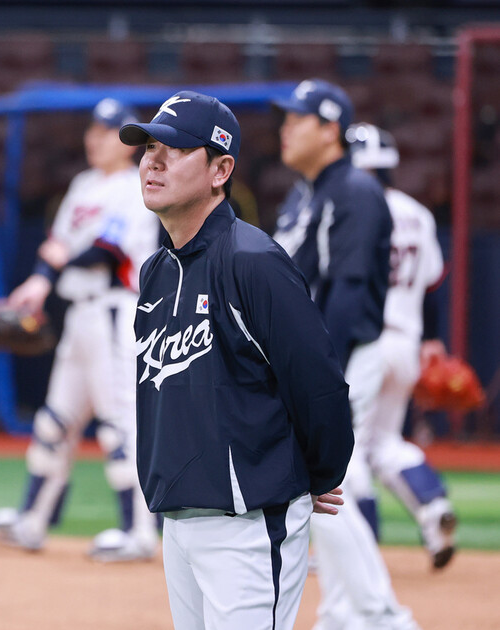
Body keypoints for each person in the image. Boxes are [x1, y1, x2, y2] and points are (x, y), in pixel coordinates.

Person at [121, 90, 351, 630]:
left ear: (221, 169)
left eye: (174, 149)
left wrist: (315, 473)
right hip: (179, 520)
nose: (152, 160)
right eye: (148, 146)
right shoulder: (156, 272)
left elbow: (318, 383)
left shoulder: (253, 261)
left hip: (247, 523)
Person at [0, 98, 162, 562]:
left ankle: (139, 532)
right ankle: (32, 522)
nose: (95, 138)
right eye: (93, 130)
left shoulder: (133, 186)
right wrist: (39, 282)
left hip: (114, 313)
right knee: (54, 423)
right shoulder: (83, 186)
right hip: (79, 315)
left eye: (107, 132)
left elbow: (105, 251)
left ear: (127, 144)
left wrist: (55, 269)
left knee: (120, 426)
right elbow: (57, 246)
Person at [272, 80, 420, 630]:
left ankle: (381, 615)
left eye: (297, 119)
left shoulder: (354, 191)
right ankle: (343, 612)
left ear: (330, 129)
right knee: (319, 487)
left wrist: (318, 369)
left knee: (318, 486)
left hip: (342, 356)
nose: (285, 128)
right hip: (313, 359)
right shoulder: (305, 193)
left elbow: (350, 290)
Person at [346, 122, 457, 568]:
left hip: (365, 344)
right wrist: (431, 339)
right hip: (406, 343)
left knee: (346, 446)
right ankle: (432, 509)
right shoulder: (418, 212)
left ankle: (361, 548)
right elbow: (432, 283)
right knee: (385, 443)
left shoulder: (353, 207)